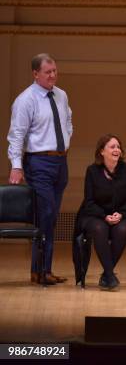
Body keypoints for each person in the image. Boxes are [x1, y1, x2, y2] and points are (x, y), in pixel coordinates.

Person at [7, 53, 72, 285]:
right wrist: (16, 166)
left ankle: (42, 270)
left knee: (51, 217)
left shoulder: (61, 95)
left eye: (55, 70)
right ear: (36, 74)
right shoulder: (26, 100)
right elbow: (16, 135)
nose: (53, 75)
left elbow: (67, 121)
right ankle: (40, 271)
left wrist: (64, 142)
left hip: (60, 162)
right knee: (44, 215)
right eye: (48, 72)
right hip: (39, 162)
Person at [75, 134, 126, 290]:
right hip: (95, 215)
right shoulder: (92, 171)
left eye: (118, 147)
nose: (117, 149)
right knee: (99, 228)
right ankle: (109, 274)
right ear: (102, 151)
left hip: (122, 214)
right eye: (112, 146)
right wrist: (104, 216)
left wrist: (120, 214)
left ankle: (107, 275)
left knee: (122, 229)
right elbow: (89, 202)